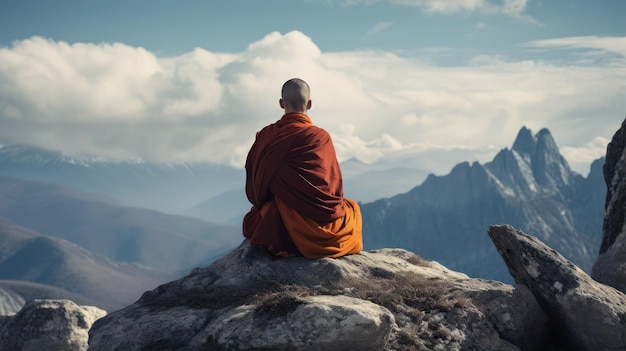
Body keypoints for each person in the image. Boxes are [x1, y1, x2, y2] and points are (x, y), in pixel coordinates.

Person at [242, 78, 363, 258]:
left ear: (281, 104)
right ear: (310, 103)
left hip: (279, 224)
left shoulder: (266, 136)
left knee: (265, 212)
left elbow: (255, 191)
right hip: (313, 222)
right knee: (352, 209)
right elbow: (331, 192)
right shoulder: (319, 137)